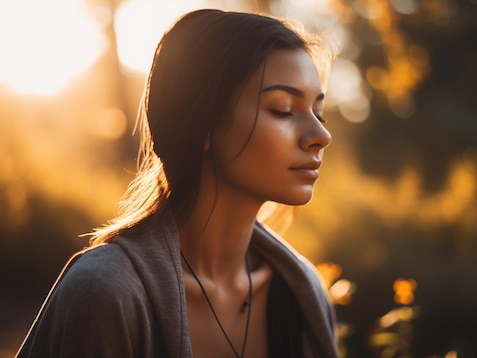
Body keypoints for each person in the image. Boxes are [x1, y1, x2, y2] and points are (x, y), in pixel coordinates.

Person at [17, 8, 337, 358]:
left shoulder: (302, 294)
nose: (320, 135)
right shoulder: (106, 293)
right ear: (203, 124)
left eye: (318, 113)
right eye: (283, 109)